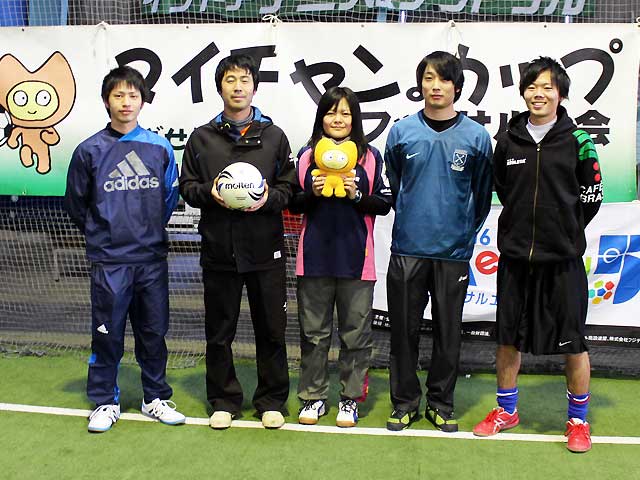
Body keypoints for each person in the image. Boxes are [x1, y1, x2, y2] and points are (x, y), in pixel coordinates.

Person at [473, 57, 602, 453]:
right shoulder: (508, 140)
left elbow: (591, 197)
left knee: (574, 344)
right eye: (532, 87)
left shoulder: (579, 140)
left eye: (547, 87)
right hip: (515, 260)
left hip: (562, 262)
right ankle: (506, 411)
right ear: (523, 92)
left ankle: (577, 421)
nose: (538, 94)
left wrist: (563, 230)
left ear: (560, 94)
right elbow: (502, 188)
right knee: (507, 339)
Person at [64, 66, 185, 433]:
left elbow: (169, 197)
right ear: (107, 101)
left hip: (150, 259)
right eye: (118, 95)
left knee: (153, 333)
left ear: (142, 100)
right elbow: (76, 204)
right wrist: (105, 234)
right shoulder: (88, 150)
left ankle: (155, 397)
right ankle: (105, 401)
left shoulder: (159, 147)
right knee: (107, 334)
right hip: (110, 261)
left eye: (133, 95)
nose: (126, 102)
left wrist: (146, 230)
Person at [179, 54, 296, 430]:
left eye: (245, 80)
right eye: (230, 80)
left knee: (272, 330)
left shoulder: (274, 136)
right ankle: (223, 400)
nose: (238, 87)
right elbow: (187, 186)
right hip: (219, 251)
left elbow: (289, 188)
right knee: (219, 332)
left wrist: (268, 198)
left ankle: (271, 401)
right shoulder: (201, 138)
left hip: (265, 250)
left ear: (255, 87)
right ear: (220, 88)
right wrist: (209, 194)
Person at [384, 51, 493, 432]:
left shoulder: (477, 137)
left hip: (453, 253)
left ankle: (441, 404)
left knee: (448, 334)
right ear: (420, 85)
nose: (435, 86)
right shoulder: (401, 133)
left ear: (456, 87)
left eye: (444, 79)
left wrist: (461, 234)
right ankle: (404, 403)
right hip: (407, 249)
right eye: (429, 78)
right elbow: (395, 184)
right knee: (403, 333)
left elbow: (482, 196)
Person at [289, 86, 392, 427]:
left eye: (345, 113)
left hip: (357, 261)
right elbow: (292, 202)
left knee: (356, 336)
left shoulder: (370, 156)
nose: (338, 119)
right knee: (313, 335)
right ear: (322, 117)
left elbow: (384, 203)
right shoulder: (306, 155)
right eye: (331, 112)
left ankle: (350, 399)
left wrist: (356, 195)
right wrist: (313, 193)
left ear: (355, 119)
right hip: (313, 258)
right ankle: (313, 397)